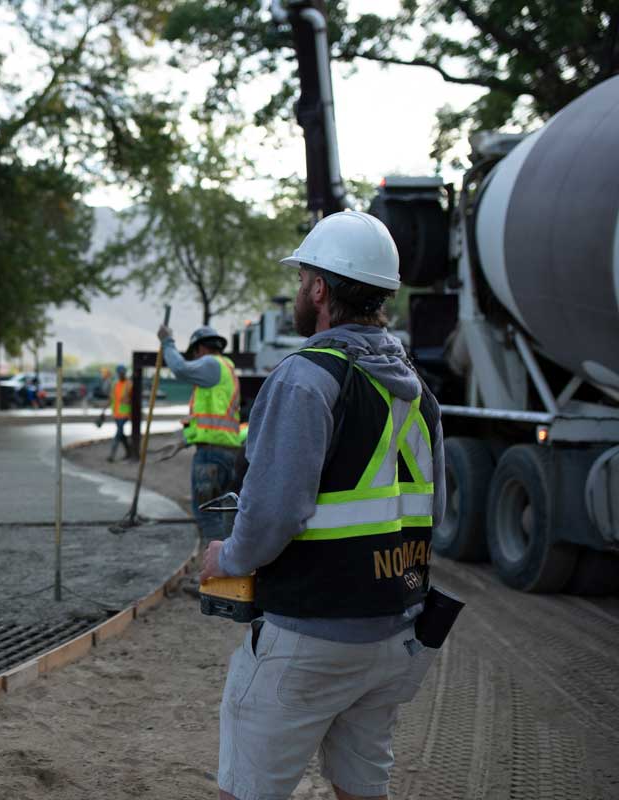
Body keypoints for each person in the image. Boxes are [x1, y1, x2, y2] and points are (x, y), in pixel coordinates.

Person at [200, 210, 446, 800]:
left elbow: (272, 513)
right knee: (362, 788)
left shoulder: (306, 377)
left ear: (319, 289)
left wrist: (227, 557)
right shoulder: (415, 386)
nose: (298, 292)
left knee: (252, 788)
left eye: (303, 278)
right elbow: (435, 508)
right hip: (395, 628)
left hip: (309, 635)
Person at [155, 325, 241, 542]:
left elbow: (180, 368)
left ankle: (217, 570)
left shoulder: (211, 363)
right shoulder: (226, 369)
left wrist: (167, 342)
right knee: (223, 514)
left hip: (211, 456)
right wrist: (183, 441)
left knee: (208, 515)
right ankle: (228, 569)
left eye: (194, 354)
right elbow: (210, 423)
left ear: (200, 348)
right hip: (228, 453)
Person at [105, 364, 133, 462]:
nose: (121, 374)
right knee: (121, 435)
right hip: (116, 414)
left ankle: (112, 455)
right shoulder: (115, 384)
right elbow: (111, 398)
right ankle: (129, 452)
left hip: (125, 414)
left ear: (125, 373)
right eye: (119, 373)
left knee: (118, 434)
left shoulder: (129, 384)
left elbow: (133, 399)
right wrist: (103, 411)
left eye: (122, 373)